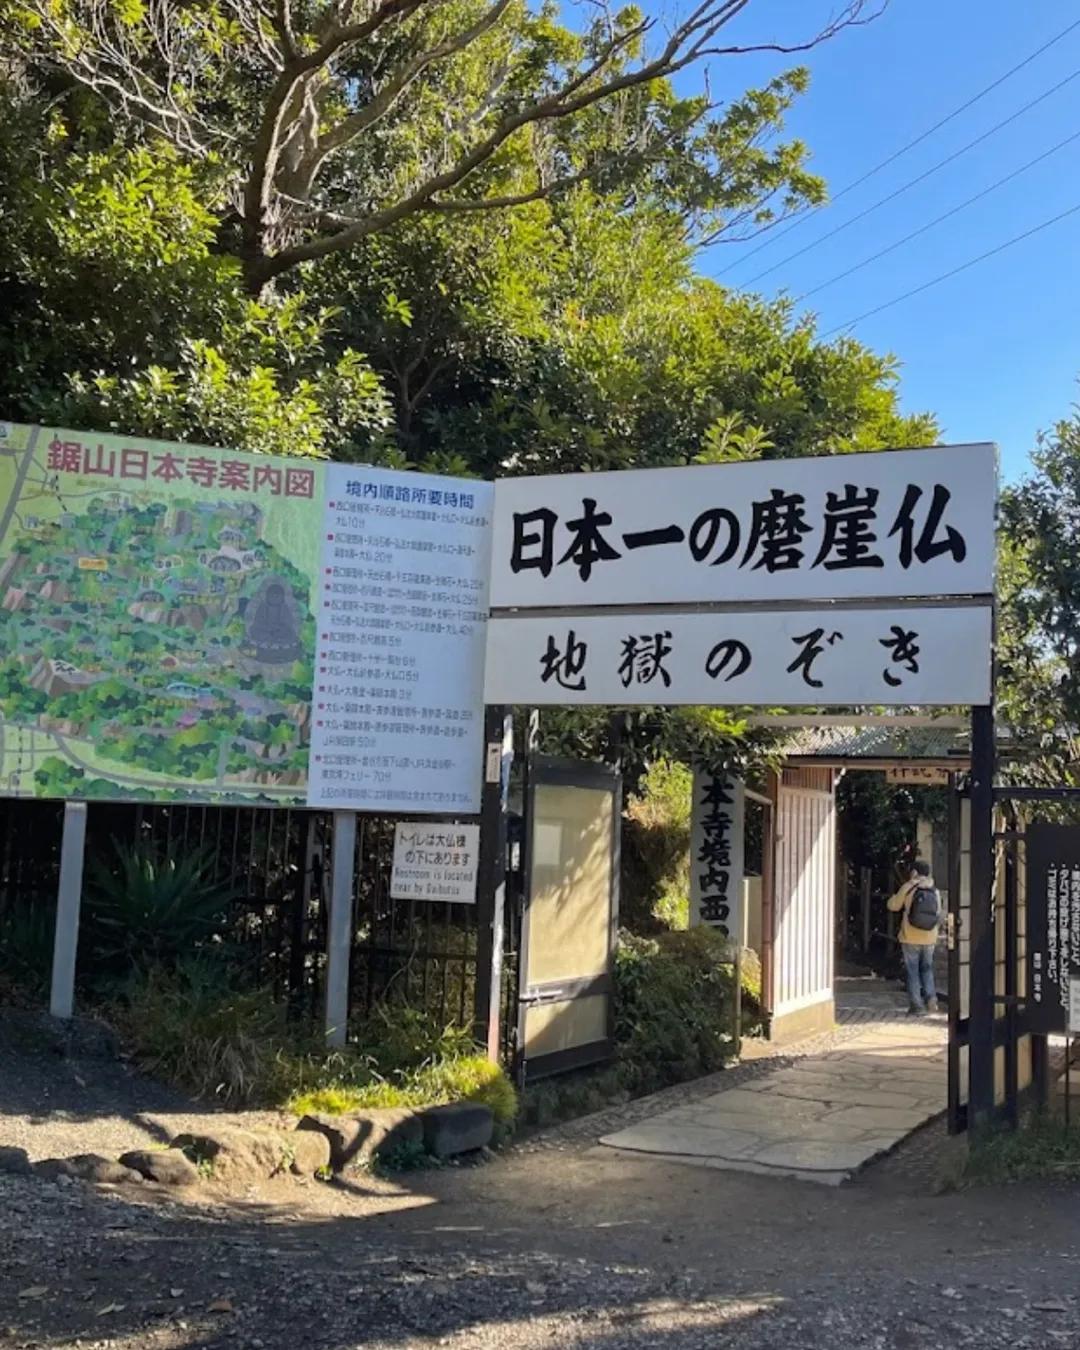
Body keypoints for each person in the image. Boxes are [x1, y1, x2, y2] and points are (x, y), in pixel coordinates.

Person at [888, 859, 941, 1016]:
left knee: (912, 971)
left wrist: (892, 898)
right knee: (927, 969)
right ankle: (931, 999)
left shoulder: (908, 887)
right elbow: (938, 913)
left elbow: (894, 906)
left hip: (910, 936)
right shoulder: (935, 890)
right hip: (930, 936)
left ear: (915, 872)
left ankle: (917, 1006)